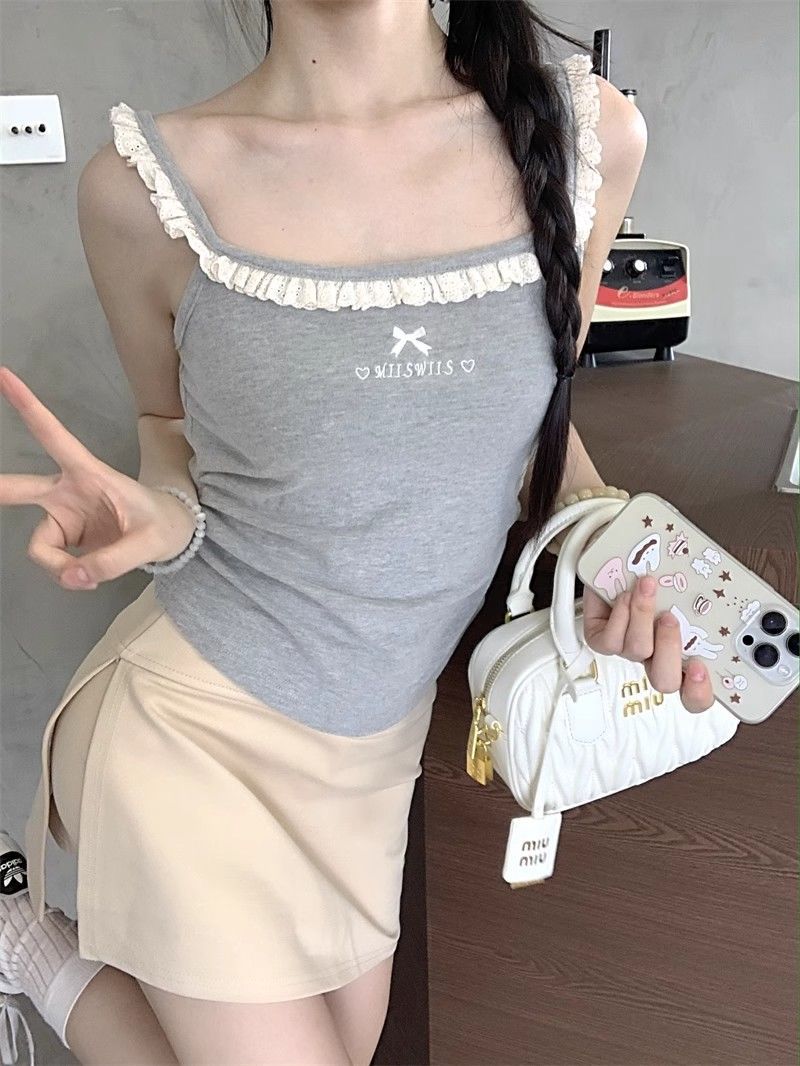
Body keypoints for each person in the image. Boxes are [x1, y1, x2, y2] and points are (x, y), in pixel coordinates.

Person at [0, 2, 716, 1064]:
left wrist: (606, 556)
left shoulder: (589, 135)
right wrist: (165, 514)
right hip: (193, 730)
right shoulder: (140, 189)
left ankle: (21, 942)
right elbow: (169, 439)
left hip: (375, 749)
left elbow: (535, 432)